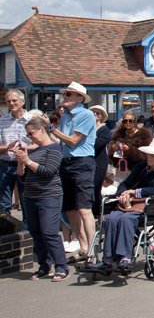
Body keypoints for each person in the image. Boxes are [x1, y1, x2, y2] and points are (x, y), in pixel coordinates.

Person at [85, 137, 154, 273]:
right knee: (112, 218)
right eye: (149, 153)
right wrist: (123, 193)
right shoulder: (141, 167)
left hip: (150, 204)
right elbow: (125, 183)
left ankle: (125, 257)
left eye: (153, 155)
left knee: (127, 220)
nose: (149, 156)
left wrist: (137, 192)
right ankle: (107, 259)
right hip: (131, 203)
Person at [12, 119, 67, 281]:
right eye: (27, 134)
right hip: (30, 195)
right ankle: (44, 265)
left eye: (31, 133)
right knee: (36, 233)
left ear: (41, 130)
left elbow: (48, 171)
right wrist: (21, 162)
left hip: (49, 195)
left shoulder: (55, 148)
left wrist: (28, 161)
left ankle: (61, 266)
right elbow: (22, 175)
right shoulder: (33, 150)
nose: (29, 137)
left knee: (49, 232)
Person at [50, 82, 97, 259]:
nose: (65, 97)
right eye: (65, 94)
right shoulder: (65, 116)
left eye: (69, 95)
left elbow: (72, 141)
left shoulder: (86, 115)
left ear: (80, 98)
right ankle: (84, 245)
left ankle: (91, 249)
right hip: (66, 162)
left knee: (84, 208)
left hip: (82, 163)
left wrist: (52, 129)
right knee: (70, 209)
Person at [0, 89, 32, 215]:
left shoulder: (32, 119)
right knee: (3, 202)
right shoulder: (2, 121)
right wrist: (7, 147)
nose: (11, 103)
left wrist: (25, 149)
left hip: (26, 164)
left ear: (22, 101)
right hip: (6, 164)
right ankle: (6, 232)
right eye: (8, 101)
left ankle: (27, 232)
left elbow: (40, 143)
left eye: (14, 100)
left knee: (26, 201)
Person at [110, 109, 153, 185]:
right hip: (121, 170)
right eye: (125, 121)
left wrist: (129, 150)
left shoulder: (144, 134)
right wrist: (114, 149)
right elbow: (111, 154)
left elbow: (144, 155)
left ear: (135, 121)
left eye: (130, 121)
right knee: (121, 192)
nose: (128, 123)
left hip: (137, 170)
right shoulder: (119, 134)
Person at [89, 105, 111, 217]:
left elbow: (99, 144)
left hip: (99, 161)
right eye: (94, 112)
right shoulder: (87, 128)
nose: (96, 115)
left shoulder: (104, 129)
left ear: (102, 116)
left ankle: (97, 212)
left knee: (95, 186)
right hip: (88, 161)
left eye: (98, 113)